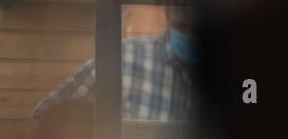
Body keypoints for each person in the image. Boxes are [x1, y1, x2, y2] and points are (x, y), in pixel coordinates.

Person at [31, 7, 199, 121]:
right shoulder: (125, 60)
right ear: (168, 11)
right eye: (183, 27)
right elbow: (43, 117)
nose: (192, 35)